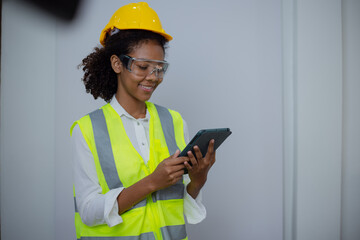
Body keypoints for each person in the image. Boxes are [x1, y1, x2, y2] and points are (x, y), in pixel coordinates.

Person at [71, 2, 215, 239]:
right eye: (143, 67)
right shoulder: (86, 130)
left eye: (159, 68)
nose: (153, 77)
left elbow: (183, 206)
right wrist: (151, 182)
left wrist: (198, 180)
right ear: (117, 63)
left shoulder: (175, 121)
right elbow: (87, 211)